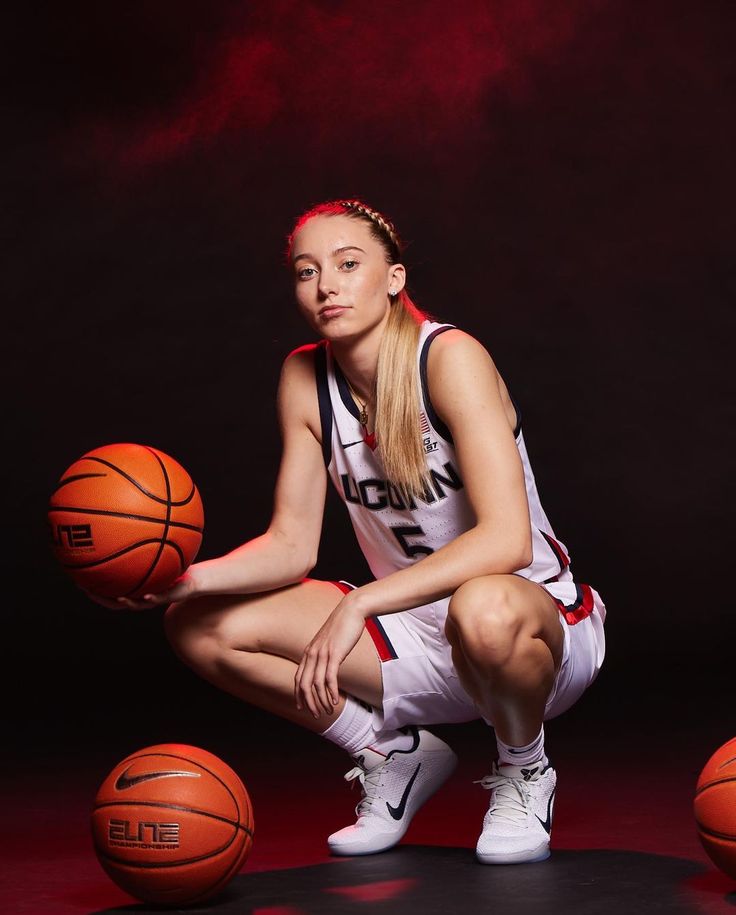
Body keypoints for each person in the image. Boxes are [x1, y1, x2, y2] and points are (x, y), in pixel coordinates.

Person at [101, 199, 606, 865]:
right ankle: (388, 752)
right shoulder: (304, 376)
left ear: (393, 277)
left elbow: (506, 539)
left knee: (481, 602)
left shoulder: (449, 357)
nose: (326, 284)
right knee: (199, 624)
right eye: (307, 272)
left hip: (527, 629)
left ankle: (524, 766)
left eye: (347, 263)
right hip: (414, 634)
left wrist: (361, 599)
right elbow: (291, 543)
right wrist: (183, 578)